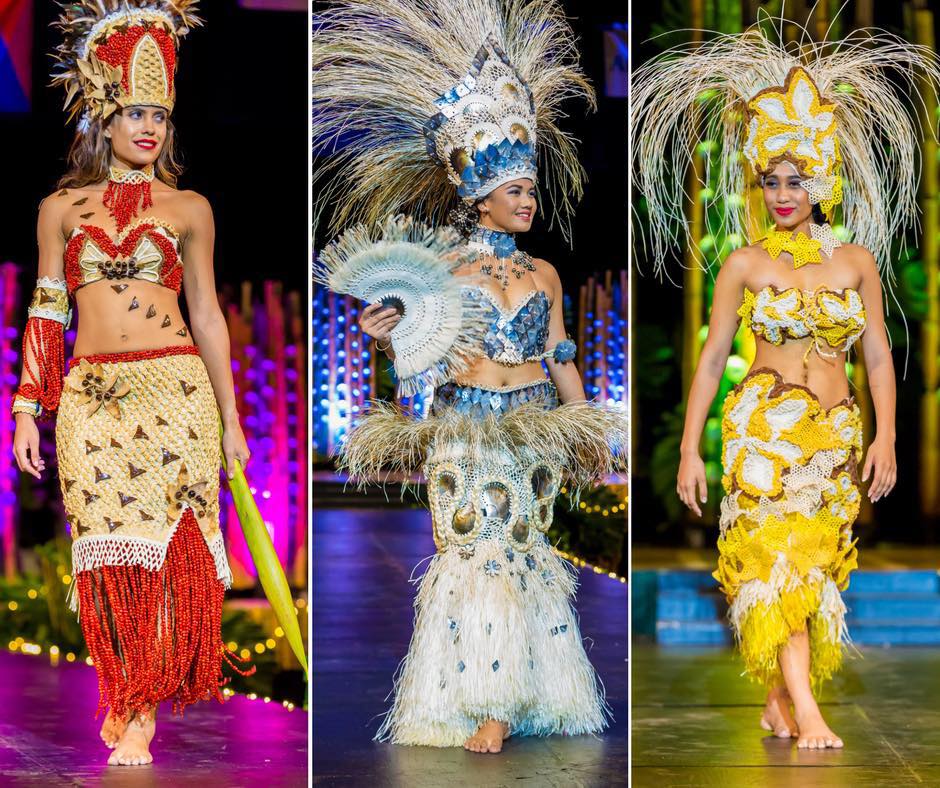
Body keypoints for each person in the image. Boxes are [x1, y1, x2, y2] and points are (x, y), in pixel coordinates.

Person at [313, 0, 626, 754]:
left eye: (530, 188)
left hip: (531, 426)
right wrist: (384, 335)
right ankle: (471, 697)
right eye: (517, 190)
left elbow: (560, 356)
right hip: (462, 426)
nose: (529, 200)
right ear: (480, 194)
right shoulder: (443, 271)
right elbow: (417, 353)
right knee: (468, 554)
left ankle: (510, 697)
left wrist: (588, 434)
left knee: (519, 553)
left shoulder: (547, 272)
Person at [631, 20, 940, 750]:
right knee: (774, 570)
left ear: (823, 180)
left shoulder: (856, 262)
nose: (779, 194)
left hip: (834, 439)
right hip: (761, 436)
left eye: (794, 181)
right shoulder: (743, 263)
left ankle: (778, 697)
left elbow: (878, 360)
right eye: (769, 182)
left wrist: (888, 435)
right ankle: (807, 712)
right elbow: (711, 361)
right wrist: (687, 451)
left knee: (811, 572)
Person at [12, 0, 251, 766]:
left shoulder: (189, 208)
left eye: (161, 115)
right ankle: (125, 687)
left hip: (176, 391)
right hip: (92, 399)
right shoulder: (60, 209)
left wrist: (232, 416)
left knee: (174, 552)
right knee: (108, 554)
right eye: (135, 112)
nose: (150, 127)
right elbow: (48, 311)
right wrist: (25, 409)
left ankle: (140, 705)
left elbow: (209, 316)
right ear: (104, 118)